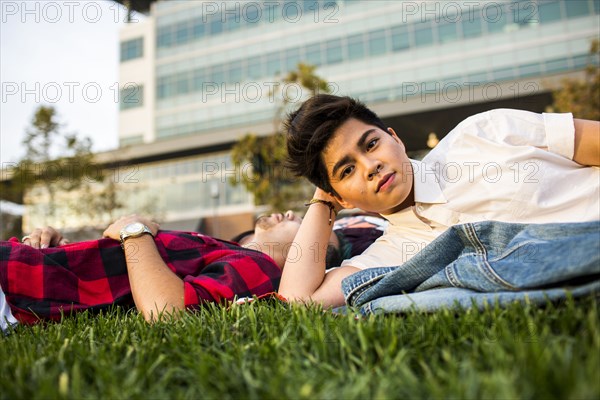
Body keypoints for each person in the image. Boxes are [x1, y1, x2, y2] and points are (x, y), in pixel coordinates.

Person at [279, 94, 600, 307]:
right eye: (348, 170)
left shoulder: (481, 133)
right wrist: (323, 201)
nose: (371, 166)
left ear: (396, 138)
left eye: (372, 144)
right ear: (339, 196)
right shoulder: (390, 255)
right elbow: (297, 299)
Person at [0, 209, 387, 331]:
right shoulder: (232, 251)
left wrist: (135, 230)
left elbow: (166, 311)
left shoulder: (259, 267)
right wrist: (52, 241)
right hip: (22, 267)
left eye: (302, 224)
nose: (289, 213)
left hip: (15, 289)